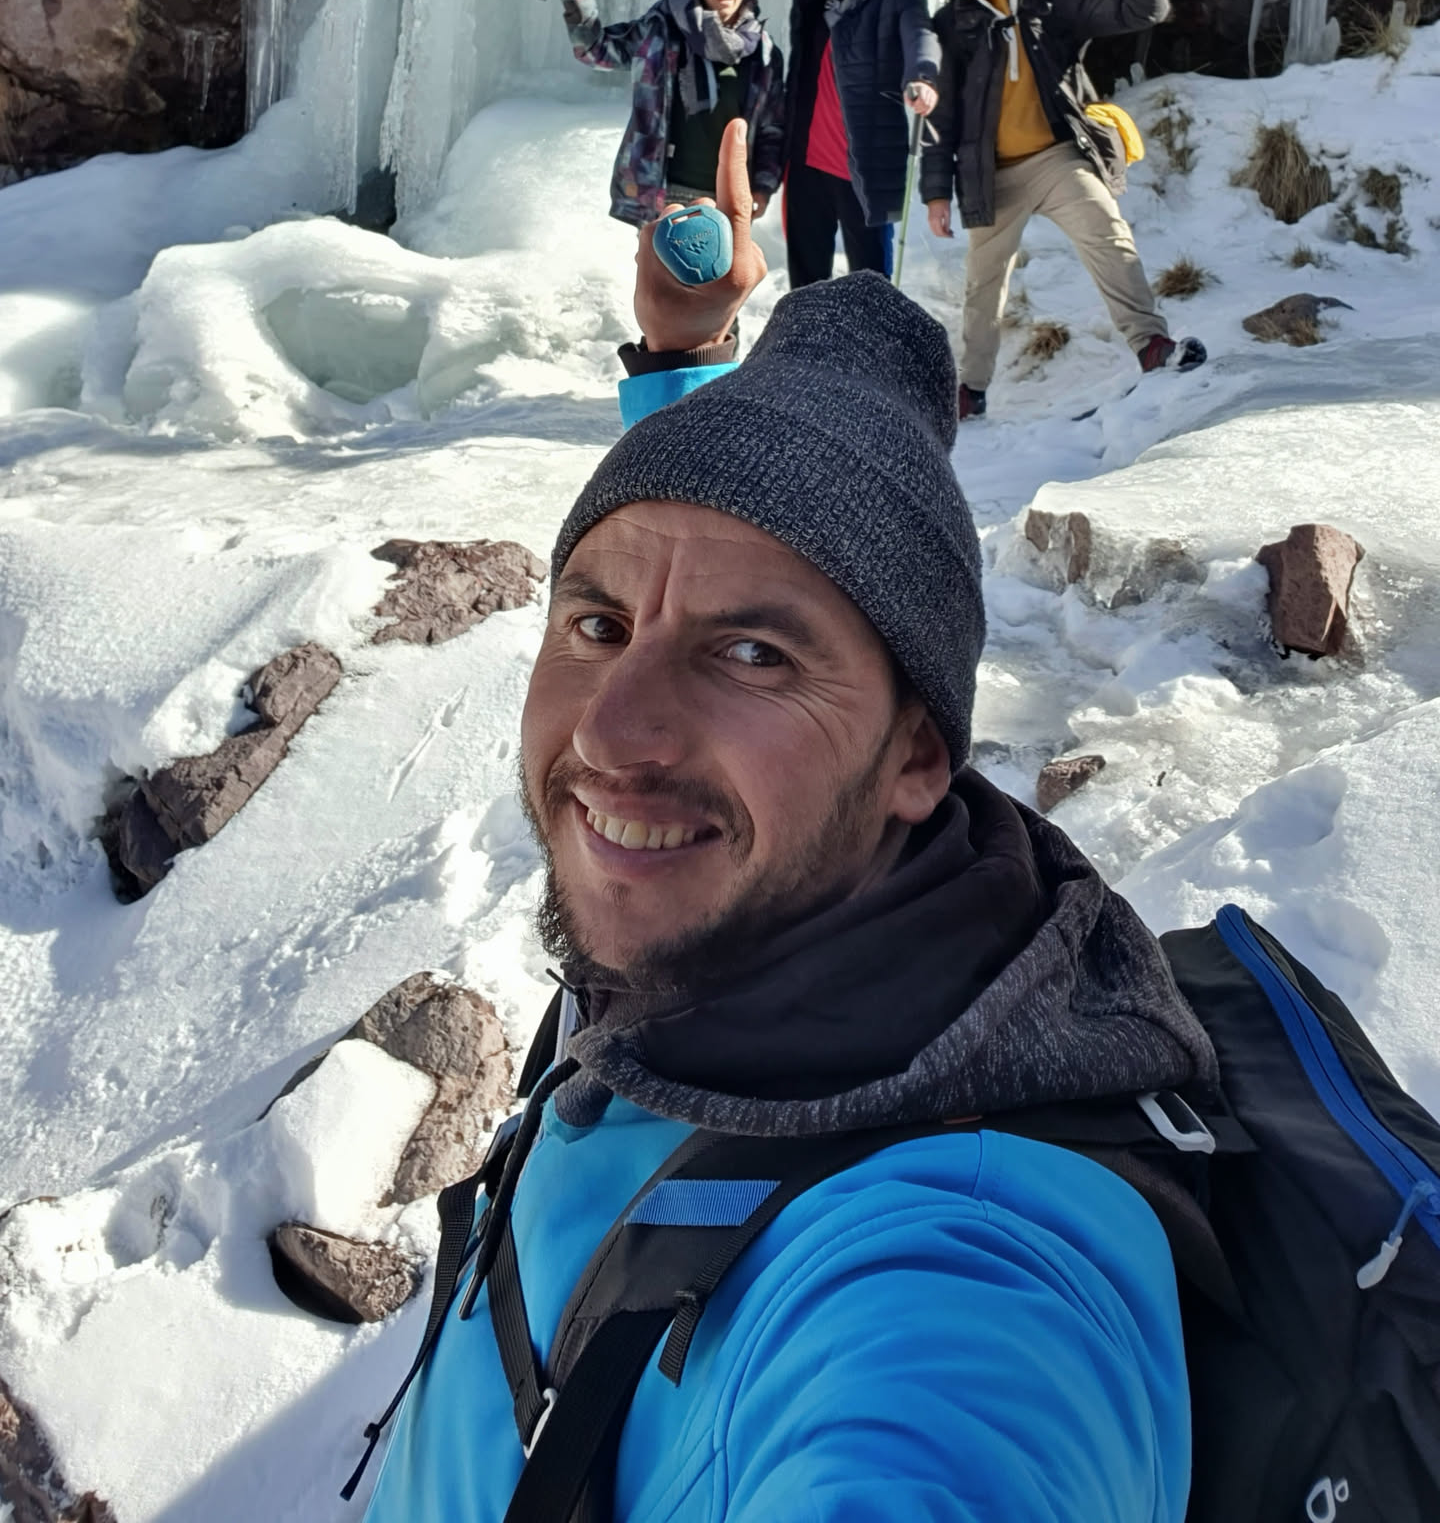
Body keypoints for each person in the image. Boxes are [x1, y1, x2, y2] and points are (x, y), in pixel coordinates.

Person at [360, 120, 1212, 1523]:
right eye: (596, 625)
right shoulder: (767, 885)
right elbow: (713, 550)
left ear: (918, 754)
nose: (613, 735)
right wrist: (688, 364)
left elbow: (937, 1442)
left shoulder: (954, 1273)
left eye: (753, 655)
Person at [922, 0, 1205, 418]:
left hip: (1057, 155)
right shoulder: (950, 22)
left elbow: (1143, 11)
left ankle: (1150, 344)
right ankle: (971, 390)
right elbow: (943, 115)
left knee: (1108, 232)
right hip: (990, 172)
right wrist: (937, 192)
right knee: (983, 284)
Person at [711, 0, 938, 289]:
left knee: (871, 282)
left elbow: (919, 32)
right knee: (806, 279)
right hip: (807, 163)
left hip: (865, 167)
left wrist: (923, 76)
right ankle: (805, 333)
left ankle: (870, 335)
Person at [546, 0, 785, 226]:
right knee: (660, 259)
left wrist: (762, 187)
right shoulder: (663, 30)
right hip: (664, 192)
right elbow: (596, 49)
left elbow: (771, 128)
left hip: (729, 197)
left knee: (723, 260)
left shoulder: (763, 53)